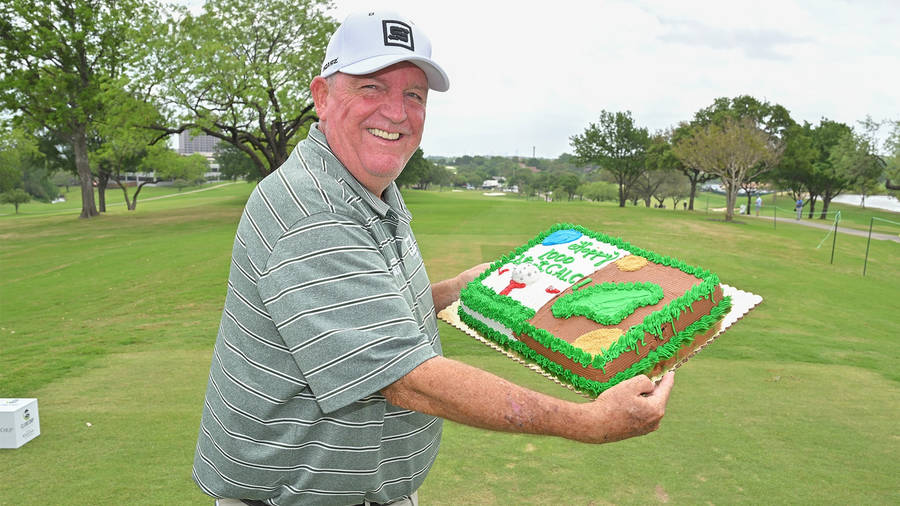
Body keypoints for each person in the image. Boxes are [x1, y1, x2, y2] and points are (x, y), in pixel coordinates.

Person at [192, 11, 674, 506]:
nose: (396, 113)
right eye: (372, 88)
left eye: (413, 95)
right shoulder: (311, 212)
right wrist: (587, 421)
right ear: (322, 96)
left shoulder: (364, 185)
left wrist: (452, 292)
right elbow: (408, 378)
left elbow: (360, 306)